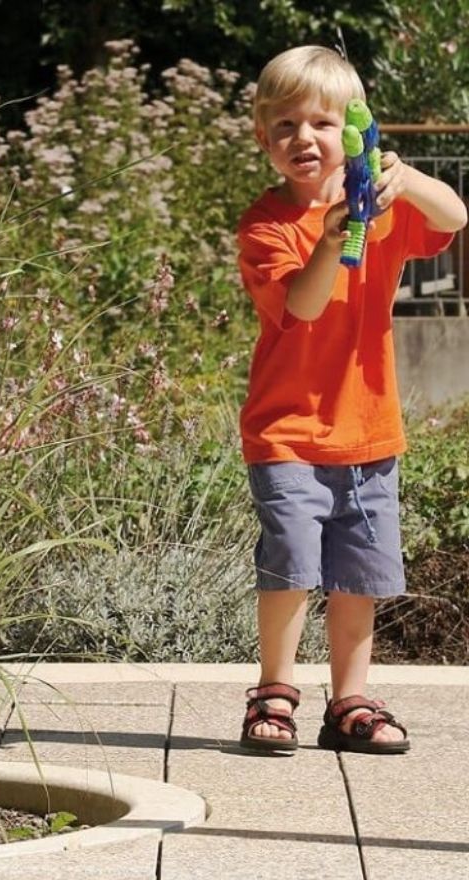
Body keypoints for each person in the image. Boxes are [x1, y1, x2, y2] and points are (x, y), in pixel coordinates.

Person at [236, 45, 467, 754]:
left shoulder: (387, 208)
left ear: (354, 133)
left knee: (357, 577)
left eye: (322, 123)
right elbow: (302, 307)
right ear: (263, 140)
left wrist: (405, 175)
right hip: (288, 432)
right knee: (290, 566)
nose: (303, 138)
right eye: (285, 127)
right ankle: (273, 692)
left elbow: (454, 216)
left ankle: (351, 701)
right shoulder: (266, 224)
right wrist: (330, 240)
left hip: (369, 431)